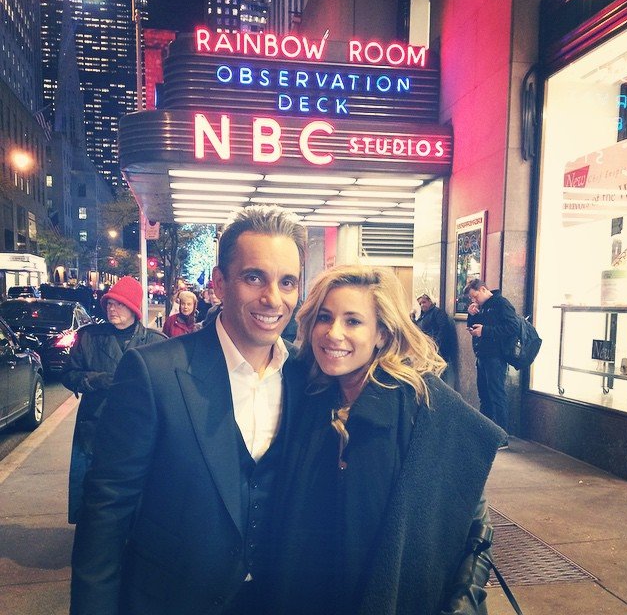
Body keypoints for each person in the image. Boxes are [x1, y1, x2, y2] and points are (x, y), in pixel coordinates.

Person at [70, 206, 307, 615]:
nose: (274, 298)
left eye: (287, 281)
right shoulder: (153, 372)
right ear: (219, 283)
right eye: (255, 277)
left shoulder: (308, 376)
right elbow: (106, 513)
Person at [268, 265, 505, 615]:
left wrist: (463, 602)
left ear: (381, 332)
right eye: (324, 317)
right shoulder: (306, 398)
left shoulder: (424, 403)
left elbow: (472, 519)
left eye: (353, 321)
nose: (333, 333)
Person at [61, 276, 166, 524]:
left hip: (139, 431)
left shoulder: (155, 342)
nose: (111, 309)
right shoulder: (89, 338)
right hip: (96, 428)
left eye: (118, 304)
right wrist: (94, 380)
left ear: (133, 308)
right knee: (95, 495)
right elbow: (68, 374)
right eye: (109, 304)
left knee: (137, 494)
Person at [464, 278, 519, 442]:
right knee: (484, 395)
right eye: (471, 299)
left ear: (482, 289)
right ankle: (486, 433)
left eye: (475, 297)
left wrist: (485, 331)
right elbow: (475, 326)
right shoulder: (481, 306)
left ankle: (501, 437)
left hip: (496, 357)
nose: (474, 301)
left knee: (497, 395)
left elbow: (513, 327)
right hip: (482, 355)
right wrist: (471, 315)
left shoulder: (501, 303)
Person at [412, 289, 457, 386]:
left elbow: (443, 330)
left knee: (438, 377)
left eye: (424, 302)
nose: (422, 305)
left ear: (430, 301)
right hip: (427, 350)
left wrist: (435, 346)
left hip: (437, 351)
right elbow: (419, 330)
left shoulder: (437, 312)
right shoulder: (423, 315)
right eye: (420, 304)